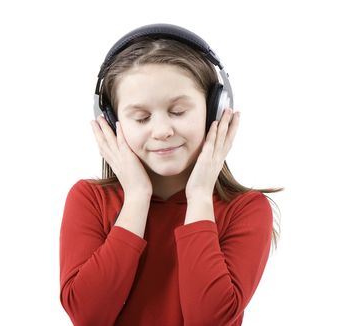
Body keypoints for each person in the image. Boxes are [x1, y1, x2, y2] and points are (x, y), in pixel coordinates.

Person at [59, 24, 283, 326]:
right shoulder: (90, 200)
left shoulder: (246, 209)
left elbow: (208, 320)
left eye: (178, 112)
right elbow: (89, 316)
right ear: (111, 123)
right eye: (142, 118)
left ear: (216, 110)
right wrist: (137, 198)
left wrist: (200, 197)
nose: (163, 131)